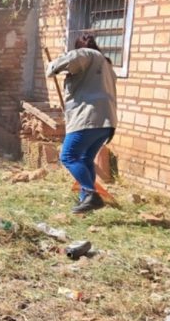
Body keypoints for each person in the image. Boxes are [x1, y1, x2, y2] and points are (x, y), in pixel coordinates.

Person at [46, 33, 117, 214]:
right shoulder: (105, 64)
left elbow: (66, 61)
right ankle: (85, 200)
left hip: (88, 118)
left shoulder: (86, 54)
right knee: (85, 159)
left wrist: (53, 67)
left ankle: (91, 194)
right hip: (106, 122)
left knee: (68, 156)